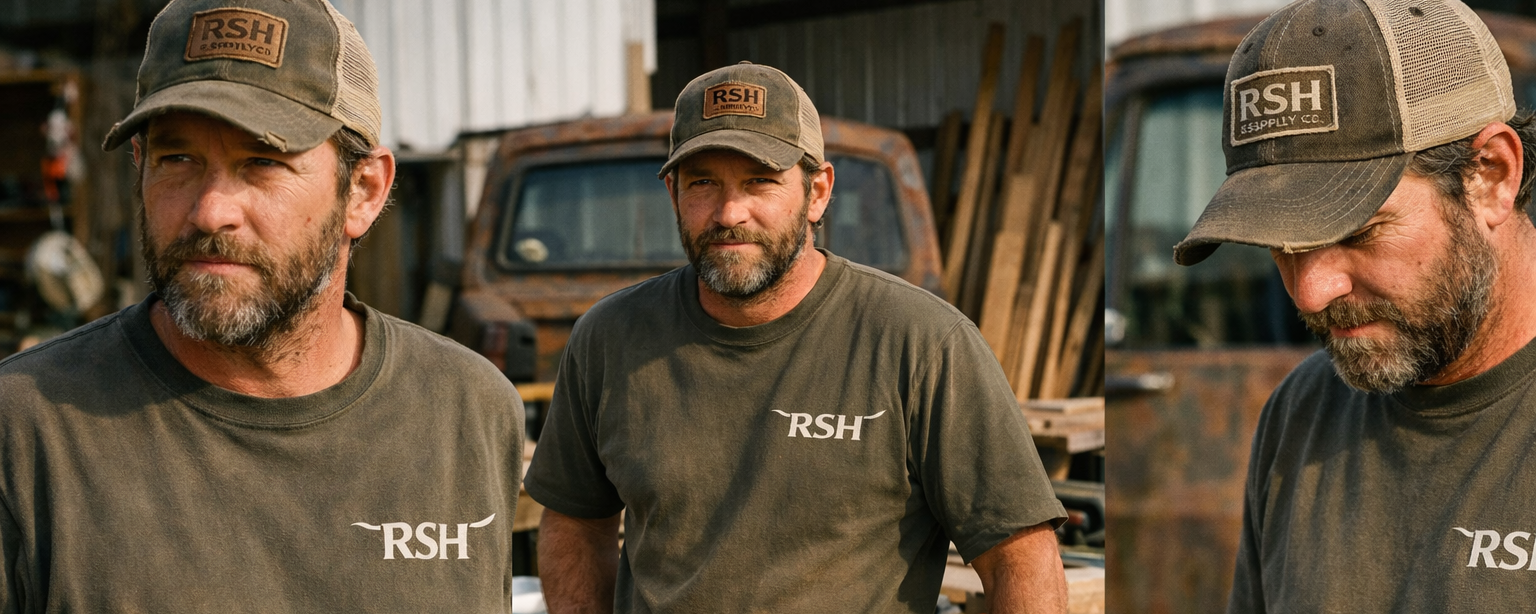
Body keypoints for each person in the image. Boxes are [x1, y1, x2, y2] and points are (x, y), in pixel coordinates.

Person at [0, 0, 524, 611]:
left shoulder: (468, 410)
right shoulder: (29, 431)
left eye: (264, 161)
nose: (209, 211)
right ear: (138, 168)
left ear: (363, 192)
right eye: (177, 159)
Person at [524, 62, 1068, 613]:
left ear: (818, 192)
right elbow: (574, 523)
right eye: (703, 182)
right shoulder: (610, 338)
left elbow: (1020, 558)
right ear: (672, 193)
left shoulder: (922, 344)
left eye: (760, 180)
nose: (730, 212)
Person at [1174, 0, 1536, 609]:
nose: (1311, 293)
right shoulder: (1303, 411)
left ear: (1491, 176)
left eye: (1358, 231)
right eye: (1281, 246)